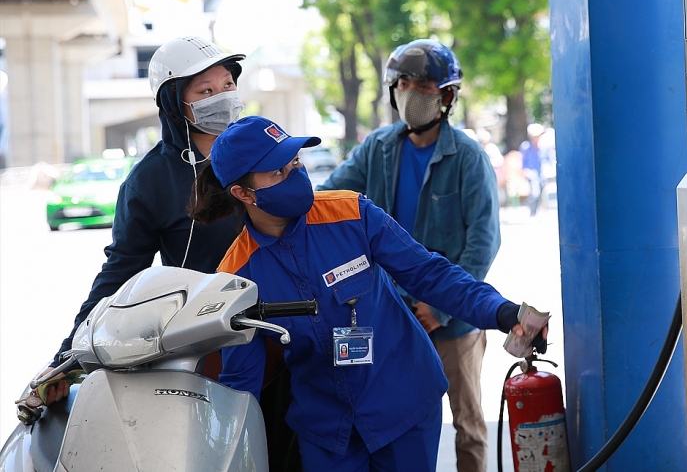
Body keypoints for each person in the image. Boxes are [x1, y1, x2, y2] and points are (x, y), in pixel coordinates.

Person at [187, 115, 546, 472]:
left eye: (295, 161)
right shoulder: (237, 276)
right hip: (328, 430)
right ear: (244, 193)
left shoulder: (352, 214)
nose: (295, 174)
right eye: (278, 172)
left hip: (404, 404)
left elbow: (430, 274)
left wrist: (502, 312)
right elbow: (242, 383)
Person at [37, 38, 302, 471]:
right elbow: (119, 274)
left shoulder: (269, 152)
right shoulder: (150, 182)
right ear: (175, 103)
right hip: (214, 355)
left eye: (228, 85)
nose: (223, 97)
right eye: (206, 91)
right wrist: (66, 359)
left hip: (293, 336)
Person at [318, 39, 500, 471]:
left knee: (468, 423)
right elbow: (328, 199)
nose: (410, 92)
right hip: (393, 314)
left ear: (446, 96)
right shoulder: (378, 148)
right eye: (402, 83)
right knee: (398, 419)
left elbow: (483, 241)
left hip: (453, 320)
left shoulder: (468, 157)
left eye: (422, 85)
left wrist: (440, 306)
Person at [520, 123, 545, 216]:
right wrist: (524, 171)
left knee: (541, 194)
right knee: (535, 193)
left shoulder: (543, 147)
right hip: (531, 174)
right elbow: (523, 161)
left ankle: (538, 212)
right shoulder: (525, 146)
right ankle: (533, 213)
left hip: (542, 174)